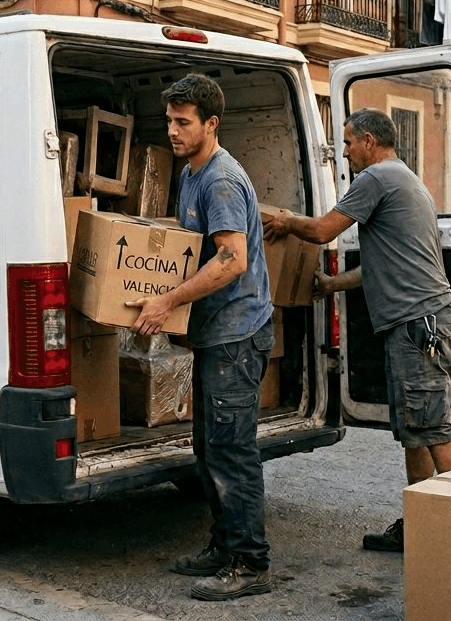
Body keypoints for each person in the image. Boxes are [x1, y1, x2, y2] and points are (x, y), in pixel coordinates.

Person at [263, 108, 451, 553]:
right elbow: (385, 263)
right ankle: (420, 525)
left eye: (350, 143)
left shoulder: (375, 179)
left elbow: (320, 231)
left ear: (370, 141)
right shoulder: (406, 180)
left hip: (420, 327)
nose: (347, 152)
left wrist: (284, 221)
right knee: (415, 432)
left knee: (433, 430)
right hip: (420, 324)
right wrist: (332, 284)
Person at [125, 73, 276, 600]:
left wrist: (167, 300)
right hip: (215, 333)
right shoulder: (191, 172)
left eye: (182, 122)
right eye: (169, 121)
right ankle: (223, 545)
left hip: (237, 335)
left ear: (211, 124)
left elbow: (232, 261)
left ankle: (250, 563)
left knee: (232, 450)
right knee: (208, 446)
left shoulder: (220, 180)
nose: (172, 130)